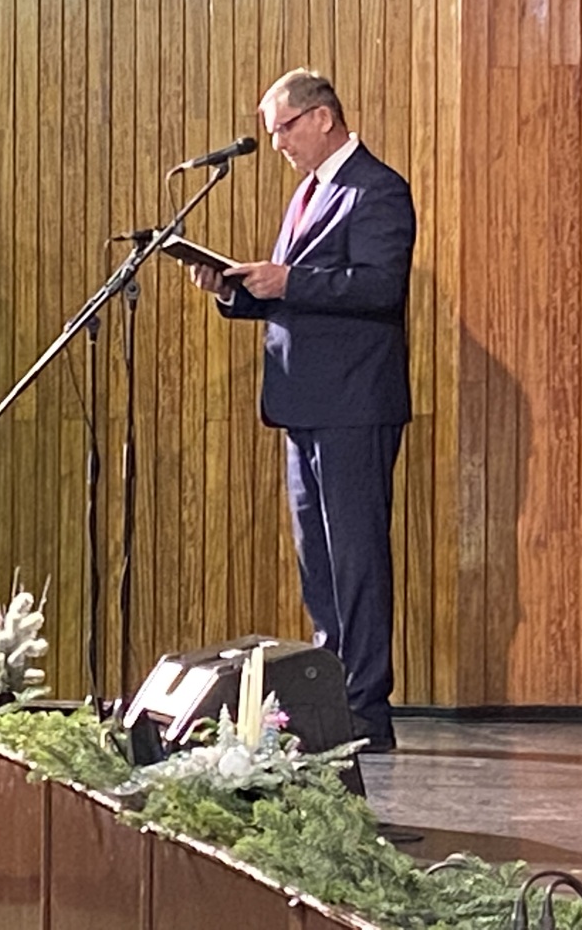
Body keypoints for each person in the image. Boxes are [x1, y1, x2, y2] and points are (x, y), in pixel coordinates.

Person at [187, 68, 415, 753]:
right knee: (318, 562)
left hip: (353, 402)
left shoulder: (376, 188)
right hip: (305, 401)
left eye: (283, 128)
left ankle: (366, 707)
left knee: (355, 560)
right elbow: (296, 296)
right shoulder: (309, 192)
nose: (279, 143)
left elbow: (379, 287)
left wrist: (289, 279)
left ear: (322, 117)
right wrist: (232, 290)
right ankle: (332, 697)